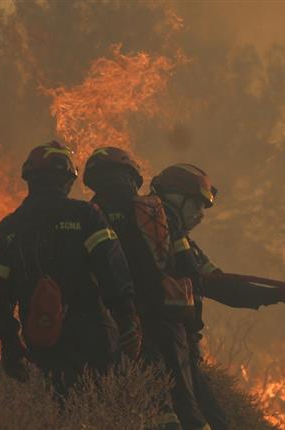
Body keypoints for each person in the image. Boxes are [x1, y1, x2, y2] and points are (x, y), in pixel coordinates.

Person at [150, 163, 285, 430]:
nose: (200, 215)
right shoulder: (164, 240)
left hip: (178, 347)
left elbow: (223, 284)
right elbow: (223, 288)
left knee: (212, 419)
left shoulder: (181, 245)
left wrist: (283, 293)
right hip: (166, 347)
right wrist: (283, 294)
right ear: (175, 197)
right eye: (196, 205)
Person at [0, 141, 141, 395]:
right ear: (68, 180)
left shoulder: (7, 228)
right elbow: (111, 268)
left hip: (40, 335)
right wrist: (126, 318)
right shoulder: (86, 215)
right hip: (93, 334)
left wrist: (9, 341)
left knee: (55, 403)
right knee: (97, 402)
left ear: (29, 179)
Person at [83, 147, 205, 430]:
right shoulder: (157, 209)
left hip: (121, 320)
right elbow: (188, 267)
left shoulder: (88, 215)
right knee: (185, 402)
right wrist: (192, 331)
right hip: (167, 318)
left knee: (149, 401)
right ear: (133, 176)